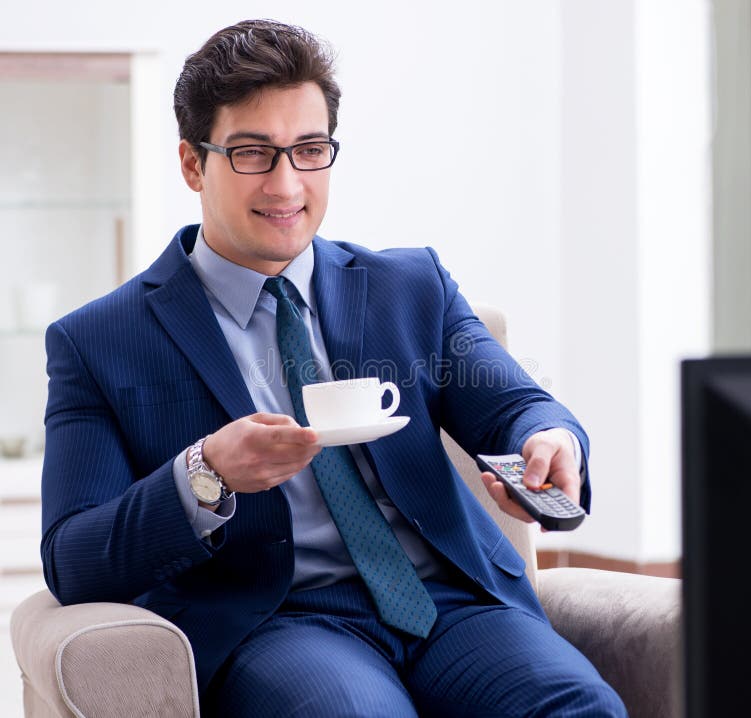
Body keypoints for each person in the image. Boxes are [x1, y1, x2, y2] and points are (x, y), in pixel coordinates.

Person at [40, 18, 627, 718]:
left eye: (309, 150)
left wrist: (550, 439)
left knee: (578, 707)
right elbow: (74, 559)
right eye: (254, 153)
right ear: (193, 163)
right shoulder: (100, 340)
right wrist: (205, 473)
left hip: (456, 605)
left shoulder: (413, 286)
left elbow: (514, 406)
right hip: (284, 621)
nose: (288, 184)